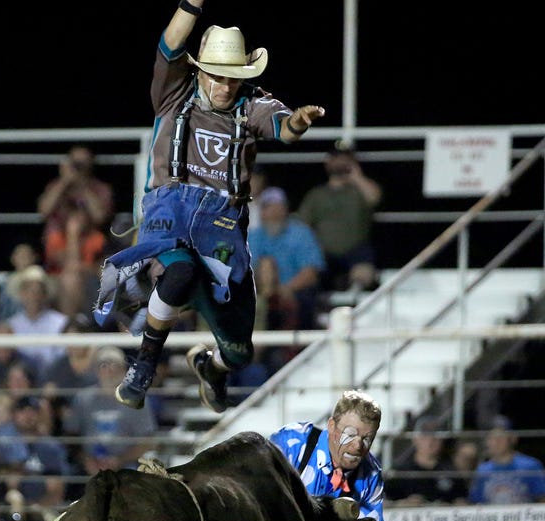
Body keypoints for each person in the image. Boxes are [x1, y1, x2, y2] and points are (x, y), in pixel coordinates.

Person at [95, 2, 327, 414]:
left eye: (232, 77)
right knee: (179, 271)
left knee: (240, 351)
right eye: (217, 75)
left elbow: (285, 128)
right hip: (170, 209)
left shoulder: (251, 105)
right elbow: (170, 42)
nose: (224, 85)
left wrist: (300, 122)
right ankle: (144, 365)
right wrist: (191, 4)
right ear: (199, 70)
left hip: (223, 228)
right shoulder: (173, 92)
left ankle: (212, 366)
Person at [269, 390, 386, 521]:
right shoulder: (292, 444)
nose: (358, 446)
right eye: (350, 434)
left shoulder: (370, 475)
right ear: (331, 426)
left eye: (367, 438)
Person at [36, 144, 115, 317]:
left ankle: (71, 329)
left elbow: (100, 216)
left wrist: (83, 185)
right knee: (69, 277)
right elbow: (44, 211)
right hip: (59, 249)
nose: (78, 166)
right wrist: (65, 180)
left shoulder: (99, 188)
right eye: (75, 162)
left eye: (82, 163)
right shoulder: (56, 186)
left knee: (73, 278)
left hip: (90, 250)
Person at [296, 146, 383, 293]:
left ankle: (352, 297)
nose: (340, 161)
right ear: (328, 162)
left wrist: (357, 177)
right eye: (336, 158)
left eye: (344, 158)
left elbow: (374, 198)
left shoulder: (359, 190)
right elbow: (302, 225)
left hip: (355, 250)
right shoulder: (316, 194)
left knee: (365, 273)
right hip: (323, 252)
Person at [61, 347, 157, 476]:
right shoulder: (82, 398)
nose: (108, 370)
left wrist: (119, 461)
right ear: (96, 371)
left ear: (124, 371)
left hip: (126, 463)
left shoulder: (137, 399)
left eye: (114, 365)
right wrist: (87, 460)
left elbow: (147, 442)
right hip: (88, 464)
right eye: (103, 365)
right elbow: (71, 435)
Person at [246, 186, 326, 329]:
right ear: (262, 212)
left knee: (301, 299)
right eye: (270, 208)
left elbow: (311, 272)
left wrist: (286, 289)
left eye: (279, 207)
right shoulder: (253, 236)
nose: (275, 213)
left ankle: (292, 349)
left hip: (294, 290)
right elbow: (244, 269)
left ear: (286, 210)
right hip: (261, 294)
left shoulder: (301, 233)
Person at [386, 414, 465, 506]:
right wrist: (404, 503)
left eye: (436, 437)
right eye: (425, 436)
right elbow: (382, 502)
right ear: (415, 439)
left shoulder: (451, 471)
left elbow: (462, 499)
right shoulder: (400, 472)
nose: (430, 441)